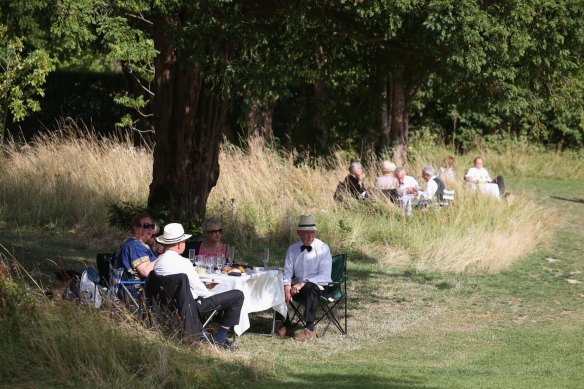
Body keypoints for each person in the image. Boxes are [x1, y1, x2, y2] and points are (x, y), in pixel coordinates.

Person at [154, 223, 244, 348]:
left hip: (167, 305)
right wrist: (213, 293)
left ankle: (210, 332)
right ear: (180, 244)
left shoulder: (158, 262)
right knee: (237, 295)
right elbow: (201, 291)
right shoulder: (183, 262)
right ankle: (220, 338)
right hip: (191, 305)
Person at [275, 215, 332, 340]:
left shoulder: (323, 248)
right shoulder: (292, 249)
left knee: (311, 287)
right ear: (298, 233)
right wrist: (287, 286)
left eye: (312, 232)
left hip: (320, 288)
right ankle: (286, 324)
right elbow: (288, 271)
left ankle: (310, 329)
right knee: (276, 284)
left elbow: (325, 276)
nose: (310, 236)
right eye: (306, 233)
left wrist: (303, 283)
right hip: (299, 289)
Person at [114, 212, 158, 296]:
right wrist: (163, 257)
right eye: (146, 226)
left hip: (136, 289)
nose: (150, 229)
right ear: (136, 229)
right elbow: (145, 271)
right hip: (136, 293)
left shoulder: (137, 244)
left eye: (152, 226)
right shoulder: (135, 246)